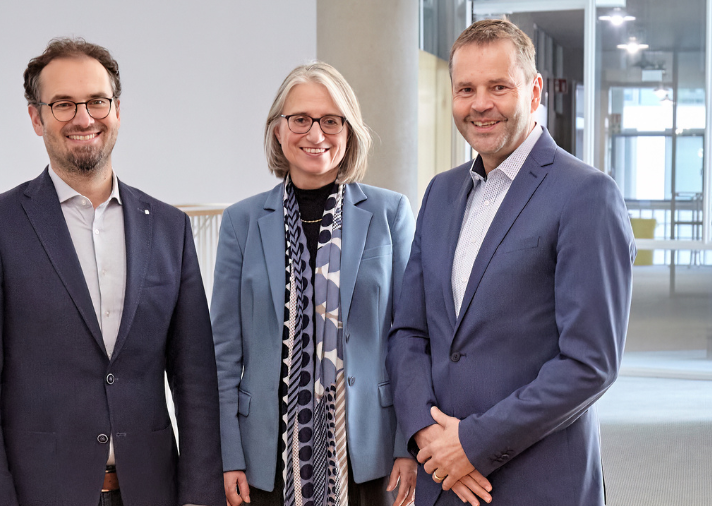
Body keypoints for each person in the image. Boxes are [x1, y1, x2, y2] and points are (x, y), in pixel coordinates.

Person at [0, 37, 224, 506]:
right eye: (63, 104)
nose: (83, 117)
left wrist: (199, 493)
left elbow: (194, 377)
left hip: (151, 491)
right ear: (36, 118)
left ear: (117, 110)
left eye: (97, 101)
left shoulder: (169, 228)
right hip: (39, 493)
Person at [386, 19, 635, 506]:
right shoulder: (440, 193)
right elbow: (409, 331)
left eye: (498, 87)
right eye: (466, 89)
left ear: (534, 90)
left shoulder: (587, 195)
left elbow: (590, 364)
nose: (480, 104)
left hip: (536, 481)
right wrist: (426, 435)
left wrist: (472, 444)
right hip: (443, 478)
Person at [210, 62, 418, 506]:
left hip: (370, 448)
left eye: (331, 120)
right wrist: (228, 456)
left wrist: (409, 444)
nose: (315, 134)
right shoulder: (241, 222)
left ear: (349, 131)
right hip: (265, 454)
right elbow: (223, 352)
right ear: (278, 130)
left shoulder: (390, 214)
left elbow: (411, 342)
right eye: (300, 119)